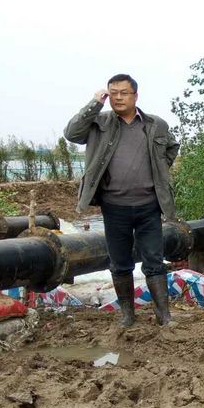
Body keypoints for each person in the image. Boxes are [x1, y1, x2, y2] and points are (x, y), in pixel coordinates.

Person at [64, 74, 179, 328]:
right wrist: (95, 103)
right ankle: (127, 315)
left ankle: (164, 315)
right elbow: (72, 133)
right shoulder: (99, 122)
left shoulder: (155, 124)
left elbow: (172, 147)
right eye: (113, 93)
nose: (118, 97)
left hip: (149, 206)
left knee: (154, 261)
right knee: (119, 263)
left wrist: (159, 170)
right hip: (114, 207)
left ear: (135, 96)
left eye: (123, 93)